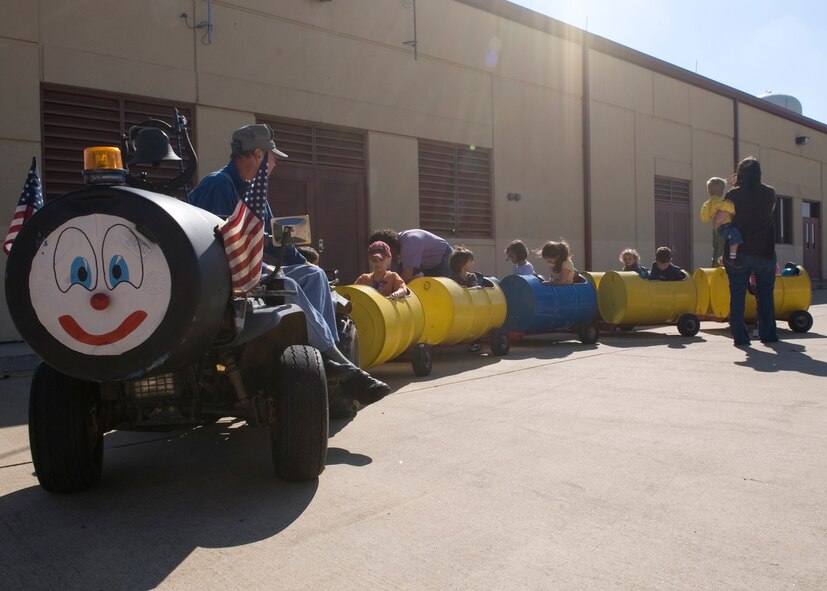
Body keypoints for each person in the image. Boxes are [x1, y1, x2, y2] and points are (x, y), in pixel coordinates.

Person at [188, 123, 390, 404]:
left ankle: (324, 357)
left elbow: (271, 240)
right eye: (272, 158)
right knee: (288, 284)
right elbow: (212, 245)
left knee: (314, 275)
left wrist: (303, 258)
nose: (274, 165)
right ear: (257, 154)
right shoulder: (218, 184)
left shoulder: (254, 189)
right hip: (227, 277)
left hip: (254, 270)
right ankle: (342, 364)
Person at [724, 156, 778, 346]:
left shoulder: (733, 195)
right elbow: (769, 213)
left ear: (740, 173)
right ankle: (769, 334)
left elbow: (723, 219)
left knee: (737, 295)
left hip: (738, 252)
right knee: (765, 294)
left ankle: (740, 337)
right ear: (759, 173)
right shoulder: (770, 193)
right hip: (764, 250)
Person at [369, 228, 453, 283]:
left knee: (442, 289)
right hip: (428, 264)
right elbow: (395, 274)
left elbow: (407, 274)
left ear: (390, 247)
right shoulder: (395, 248)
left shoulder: (410, 242)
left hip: (445, 258)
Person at [700, 176, 743, 268]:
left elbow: (704, 218)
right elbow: (728, 207)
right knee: (736, 237)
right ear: (722, 191)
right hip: (725, 225)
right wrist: (732, 206)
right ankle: (732, 258)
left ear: (708, 191)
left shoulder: (707, 204)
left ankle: (715, 264)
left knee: (716, 248)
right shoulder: (719, 200)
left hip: (716, 230)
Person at [449, 246, 483, 352]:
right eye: (471, 261)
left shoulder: (471, 277)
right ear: (463, 263)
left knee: (477, 319)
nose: (473, 263)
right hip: (459, 306)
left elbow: (474, 289)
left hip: (471, 306)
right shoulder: (452, 278)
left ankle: (475, 341)